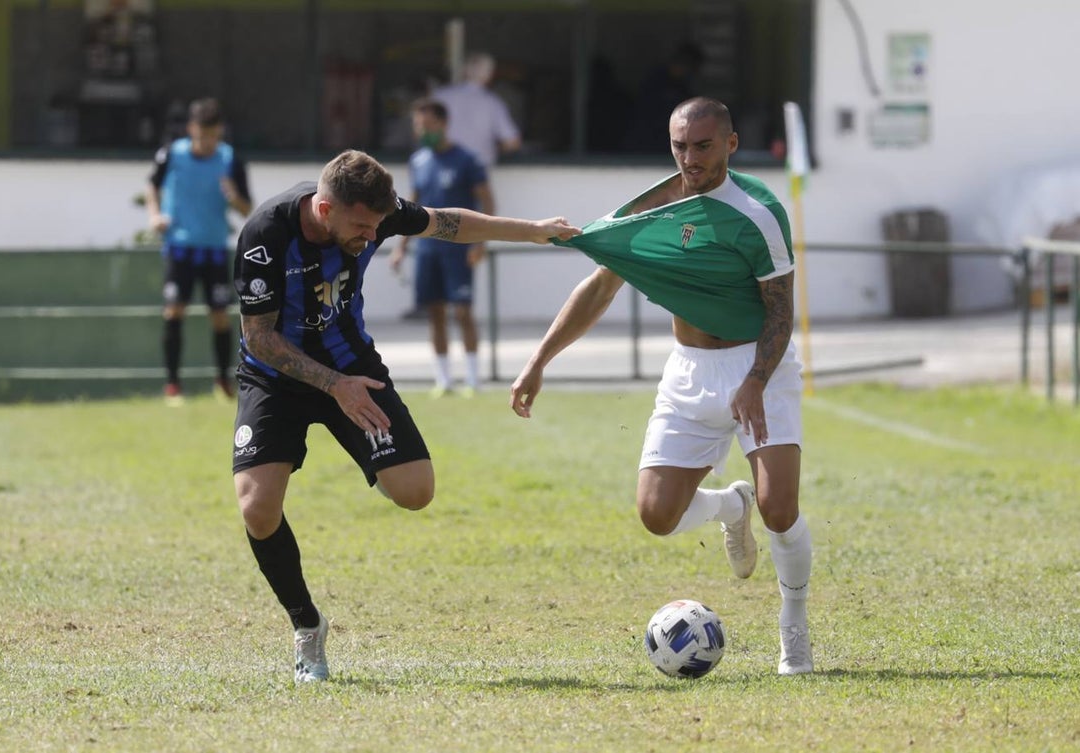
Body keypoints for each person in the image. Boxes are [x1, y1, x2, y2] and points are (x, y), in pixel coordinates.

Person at [230, 149, 578, 683]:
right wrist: (334, 388)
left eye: (378, 225)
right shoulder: (265, 235)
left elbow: (449, 223)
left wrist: (531, 231)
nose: (373, 236)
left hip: (352, 366)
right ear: (325, 210)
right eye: (362, 228)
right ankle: (307, 624)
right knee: (257, 509)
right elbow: (259, 338)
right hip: (276, 376)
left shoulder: (379, 212)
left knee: (416, 491)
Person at [510, 97, 813, 676]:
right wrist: (539, 360)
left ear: (730, 144)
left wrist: (755, 381)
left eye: (703, 146)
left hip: (759, 366)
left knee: (779, 509)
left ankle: (792, 627)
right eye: (679, 146)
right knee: (656, 515)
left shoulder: (759, 213)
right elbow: (600, 286)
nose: (689, 158)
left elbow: (780, 311)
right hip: (689, 372)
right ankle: (731, 506)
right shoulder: (655, 209)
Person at [146, 97, 252, 405]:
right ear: (192, 128)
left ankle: (223, 383)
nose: (208, 142)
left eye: (214, 135)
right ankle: (172, 386)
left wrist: (233, 196)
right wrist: (155, 215)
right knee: (173, 311)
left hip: (214, 248)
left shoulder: (230, 160)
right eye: (203, 134)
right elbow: (152, 185)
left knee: (220, 316)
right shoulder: (172, 154)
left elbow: (246, 208)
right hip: (180, 247)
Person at [389, 100, 494, 397]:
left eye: (427, 125)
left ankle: (472, 379)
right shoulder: (418, 161)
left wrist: (480, 242)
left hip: (458, 249)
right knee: (434, 312)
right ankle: (443, 380)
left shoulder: (467, 160)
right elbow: (411, 205)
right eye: (418, 126)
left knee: (462, 311)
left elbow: (487, 201)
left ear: (443, 123)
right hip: (427, 250)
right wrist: (401, 246)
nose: (422, 131)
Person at [432, 52, 521, 168]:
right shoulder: (493, 103)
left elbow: (422, 134)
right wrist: (490, 148)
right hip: (477, 168)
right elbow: (512, 142)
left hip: (441, 165)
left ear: (464, 71)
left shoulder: (439, 96)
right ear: (489, 75)